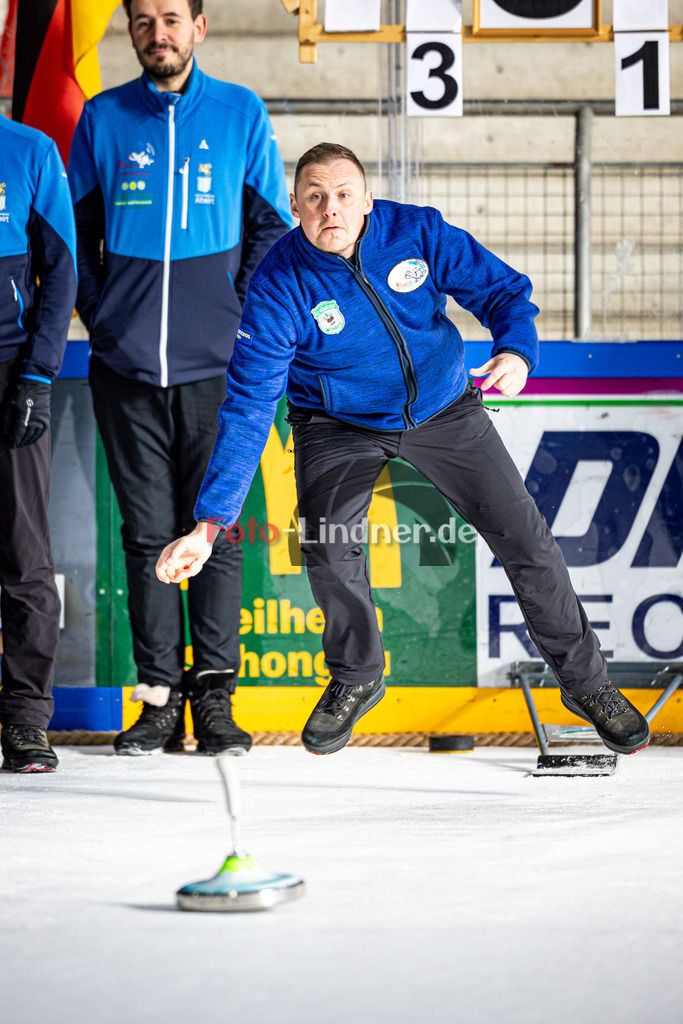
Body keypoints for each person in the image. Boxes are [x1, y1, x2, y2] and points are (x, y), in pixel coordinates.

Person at [155, 142, 650, 759]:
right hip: (335, 424)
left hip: (444, 407)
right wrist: (208, 525)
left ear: (366, 200)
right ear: (295, 206)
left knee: (526, 539)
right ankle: (357, 674)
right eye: (314, 197)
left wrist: (518, 351)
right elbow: (250, 405)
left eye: (341, 195)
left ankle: (588, 684)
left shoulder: (417, 231)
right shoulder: (277, 285)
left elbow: (503, 291)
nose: (329, 208)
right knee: (330, 552)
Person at [67, 0, 292, 756]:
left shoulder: (239, 112)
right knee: (145, 536)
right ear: (129, 32)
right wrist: (104, 321)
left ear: (199, 27)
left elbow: (268, 229)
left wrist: (237, 319)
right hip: (123, 369)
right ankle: (159, 700)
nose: (156, 34)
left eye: (170, 19)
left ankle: (216, 701)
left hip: (218, 371)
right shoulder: (102, 118)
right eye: (142, 22)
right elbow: (75, 236)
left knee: (215, 532)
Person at [0, 116, 78, 773]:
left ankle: (25, 721)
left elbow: (63, 272)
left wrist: (35, 373)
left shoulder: (29, 152)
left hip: (9, 377)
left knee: (24, 557)